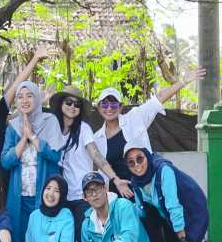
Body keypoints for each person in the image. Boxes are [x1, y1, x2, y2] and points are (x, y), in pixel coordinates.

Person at [88, 68, 206, 197]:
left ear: (121, 107)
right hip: (117, 193)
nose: (109, 108)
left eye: (114, 104)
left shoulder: (134, 118)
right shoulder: (96, 138)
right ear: (99, 107)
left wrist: (183, 81)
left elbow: (158, 99)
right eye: (104, 104)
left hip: (146, 189)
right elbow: (96, 168)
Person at [124, 143, 207, 242]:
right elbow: (140, 211)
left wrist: (183, 241)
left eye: (140, 159)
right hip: (170, 218)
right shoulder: (136, 182)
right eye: (131, 162)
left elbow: (173, 206)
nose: (137, 165)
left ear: (147, 156)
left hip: (192, 212)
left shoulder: (163, 171)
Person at [0, 80, 63, 242]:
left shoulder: (50, 121)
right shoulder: (13, 126)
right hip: (19, 197)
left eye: (29, 95)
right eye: (20, 96)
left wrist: (33, 136)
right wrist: (23, 138)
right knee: (18, 241)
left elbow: (54, 154)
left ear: (36, 98)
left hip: (43, 195)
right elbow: (6, 161)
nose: (25, 100)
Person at [49, 85, 95, 242]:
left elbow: (96, 156)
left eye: (77, 104)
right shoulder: (52, 128)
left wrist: (114, 178)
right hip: (59, 196)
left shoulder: (83, 129)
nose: (73, 107)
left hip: (81, 196)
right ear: (61, 103)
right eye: (69, 102)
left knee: (83, 241)